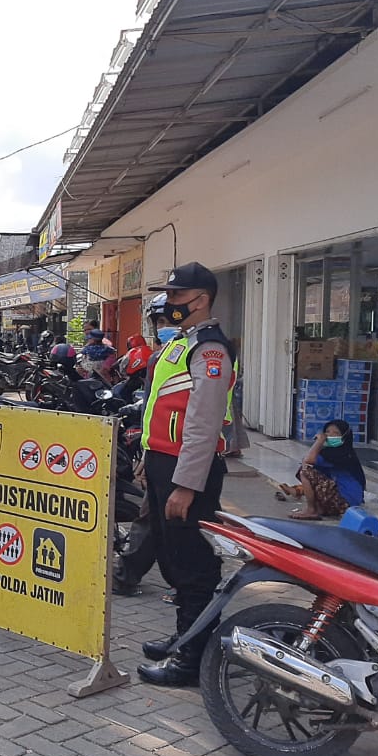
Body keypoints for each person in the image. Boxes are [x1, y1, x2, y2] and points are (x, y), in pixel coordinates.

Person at [135, 262, 236, 687]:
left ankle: (192, 661)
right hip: (165, 462)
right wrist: (148, 455)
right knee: (172, 558)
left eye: (177, 296)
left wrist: (186, 485)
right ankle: (184, 636)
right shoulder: (182, 342)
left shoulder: (210, 351)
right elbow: (161, 406)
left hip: (188, 471)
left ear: (202, 300)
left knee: (193, 565)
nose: (169, 302)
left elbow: (203, 424)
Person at [112, 294, 176, 597]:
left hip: (183, 455)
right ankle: (130, 575)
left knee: (161, 521)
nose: (163, 328)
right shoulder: (160, 358)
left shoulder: (199, 354)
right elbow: (152, 409)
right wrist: (148, 453)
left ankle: (130, 575)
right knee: (155, 519)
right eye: (159, 322)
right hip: (162, 452)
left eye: (167, 321)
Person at [284, 420, 366, 519]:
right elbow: (306, 462)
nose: (330, 435)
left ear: (344, 436)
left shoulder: (343, 454)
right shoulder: (331, 452)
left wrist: (319, 441)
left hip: (346, 502)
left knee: (306, 473)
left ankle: (311, 510)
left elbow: (308, 460)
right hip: (341, 499)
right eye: (327, 432)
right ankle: (317, 507)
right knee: (309, 470)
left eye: (336, 433)